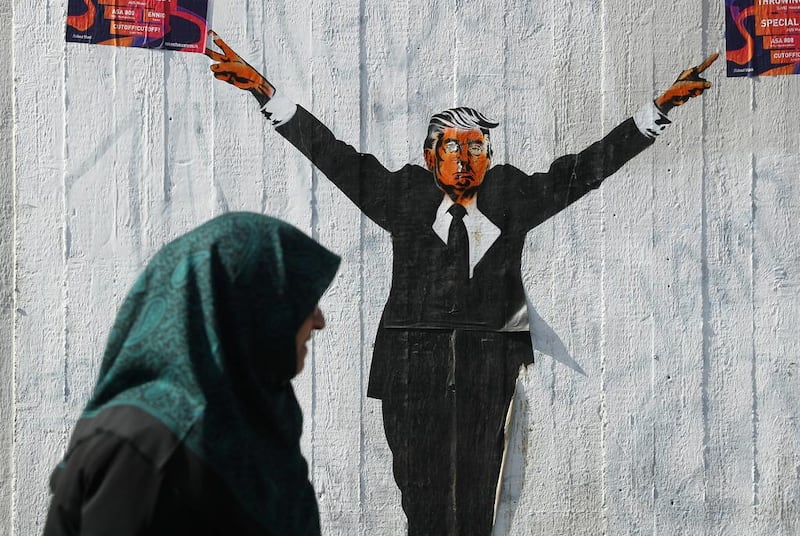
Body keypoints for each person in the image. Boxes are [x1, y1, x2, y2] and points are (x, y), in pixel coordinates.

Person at [205, 33, 717, 535]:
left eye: (478, 147)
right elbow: (333, 155)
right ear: (431, 157)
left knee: (475, 501)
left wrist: (657, 111)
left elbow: (584, 171)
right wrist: (264, 92)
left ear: (489, 158)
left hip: (486, 365)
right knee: (421, 498)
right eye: (454, 147)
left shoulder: (512, 196)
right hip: (409, 367)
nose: (467, 158)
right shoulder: (402, 195)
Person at [43, 212, 340, 535]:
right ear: (247, 306)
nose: (319, 321)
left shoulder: (258, 417)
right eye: (301, 301)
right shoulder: (147, 446)